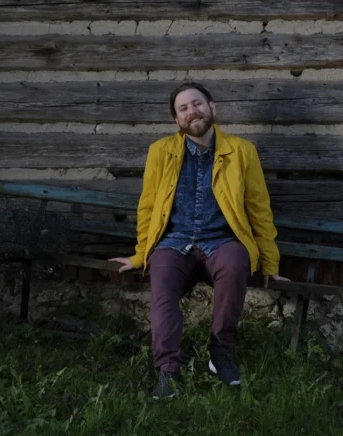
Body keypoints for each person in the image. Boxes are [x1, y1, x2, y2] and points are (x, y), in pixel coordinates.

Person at [109, 82, 289, 400]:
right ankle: (168, 372)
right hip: (174, 242)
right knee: (162, 283)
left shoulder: (242, 151)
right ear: (176, 119)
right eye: (183, 108)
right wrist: (139, 256)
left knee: (236, 265)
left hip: (222, 240)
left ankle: (221, 354)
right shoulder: (160, 152)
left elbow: (260, 210)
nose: (192, 111)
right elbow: (148, 207)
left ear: (212, 107)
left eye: (197, 103)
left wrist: (270, 263)